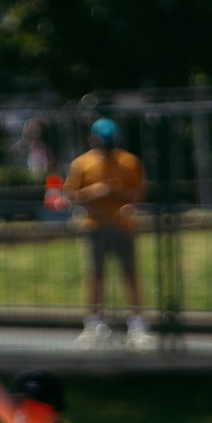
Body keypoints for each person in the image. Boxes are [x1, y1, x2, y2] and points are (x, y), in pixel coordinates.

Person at [65, 119, 147, 346]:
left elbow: (138, 194)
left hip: (123, 226)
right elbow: (71, 195)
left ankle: (138, 324)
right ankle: (93, 323)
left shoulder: (129, 162)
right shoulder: (81, 164)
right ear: (93, 141)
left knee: (130, 274)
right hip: (94, 226)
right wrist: (98, 190)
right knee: (95, 275)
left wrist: (118, 191)